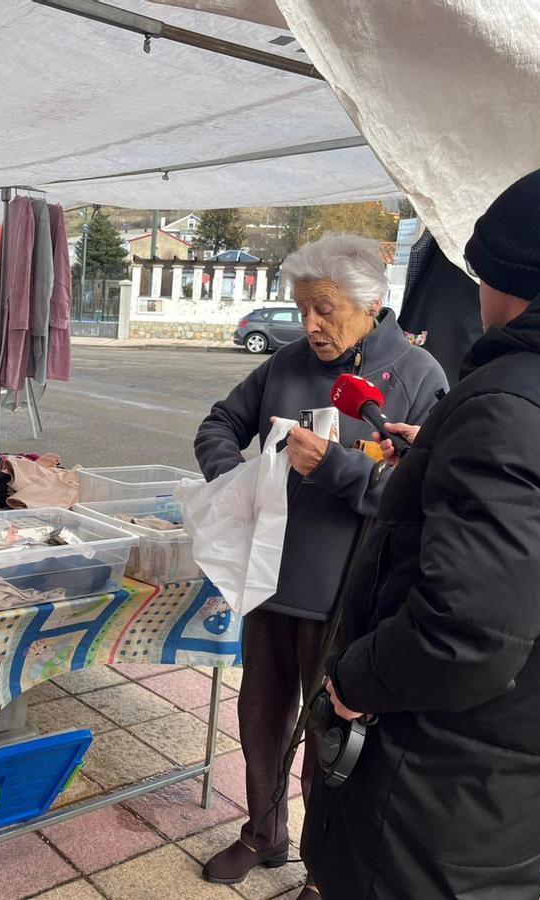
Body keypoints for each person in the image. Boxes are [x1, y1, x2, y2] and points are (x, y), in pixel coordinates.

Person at [302, 160, 540, 899]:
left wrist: (352, 682)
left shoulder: (517, 405)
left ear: (509, 281)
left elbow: (467, 631)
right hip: (520, 770)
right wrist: (448, 455)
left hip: (424, 789)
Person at [194, 234, 447, 891]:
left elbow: (427, 496)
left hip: (353, 596)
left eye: (325, 308)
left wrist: (336, 469)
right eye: (302, 306)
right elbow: (218, 424)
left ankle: (325, 867)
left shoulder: (420, 379)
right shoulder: (284, 365)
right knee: (260, 722)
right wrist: (236, 485)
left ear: (371, 304)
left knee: (331, 743)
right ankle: (263, 834)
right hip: (271, 580)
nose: (310, 324)